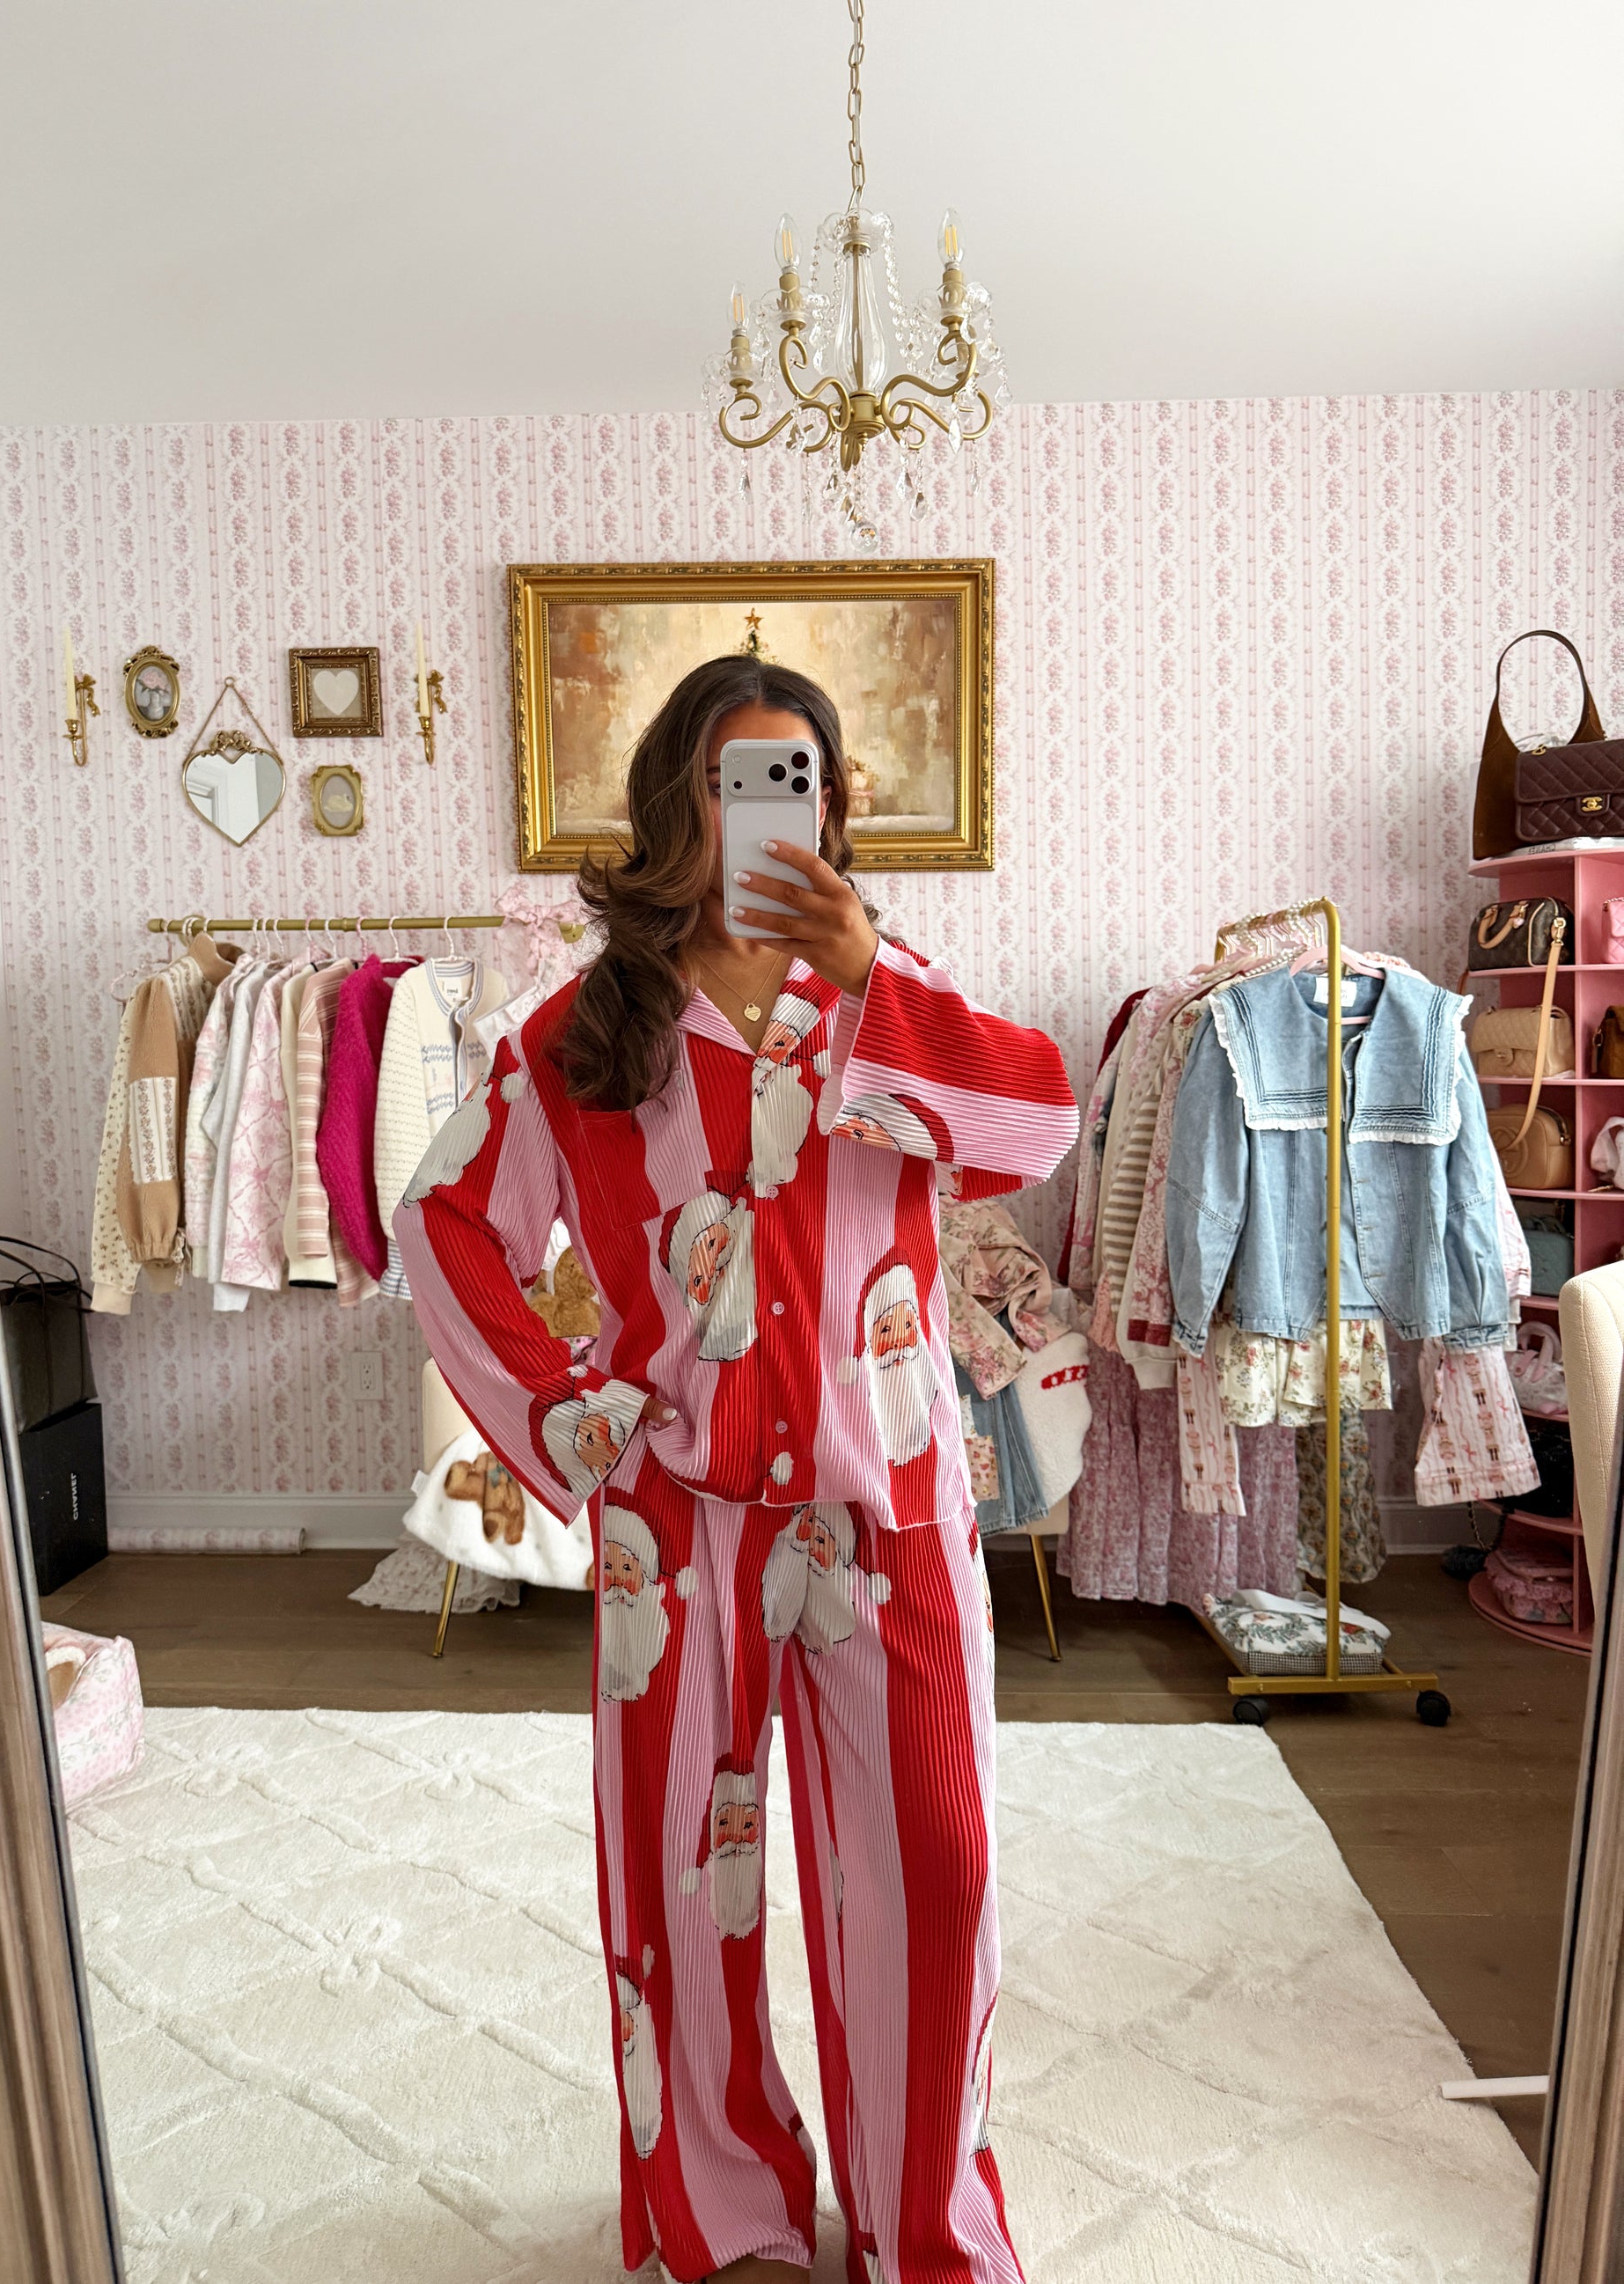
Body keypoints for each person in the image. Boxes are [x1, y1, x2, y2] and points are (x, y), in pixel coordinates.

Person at [395, 655, 1077, 2284]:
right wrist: (574, 1419)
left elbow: (1036, 1132)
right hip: (674, 1531)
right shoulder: (589, 1028)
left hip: (888, 1511)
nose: (770, 810)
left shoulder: (891, 996)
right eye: (730, 780)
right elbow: (446, 1219)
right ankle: (724, 2213)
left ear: (833, 810)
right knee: (678, 1894)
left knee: (935, 1870)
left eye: (799, 781)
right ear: (676, 805)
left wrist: (867, 977)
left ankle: (925, 2228)